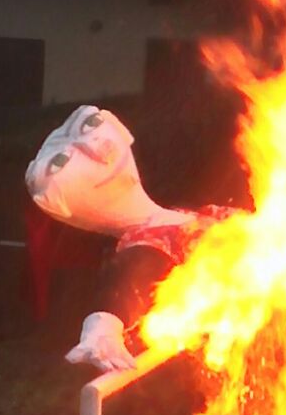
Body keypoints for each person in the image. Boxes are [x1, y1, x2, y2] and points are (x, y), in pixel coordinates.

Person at [25, 104, 228, 373]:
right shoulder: (147, 242)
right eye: (60, 162)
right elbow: (134, 273)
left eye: (90, 123)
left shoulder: (193, 215)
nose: (96, 148)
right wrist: (103, 325)